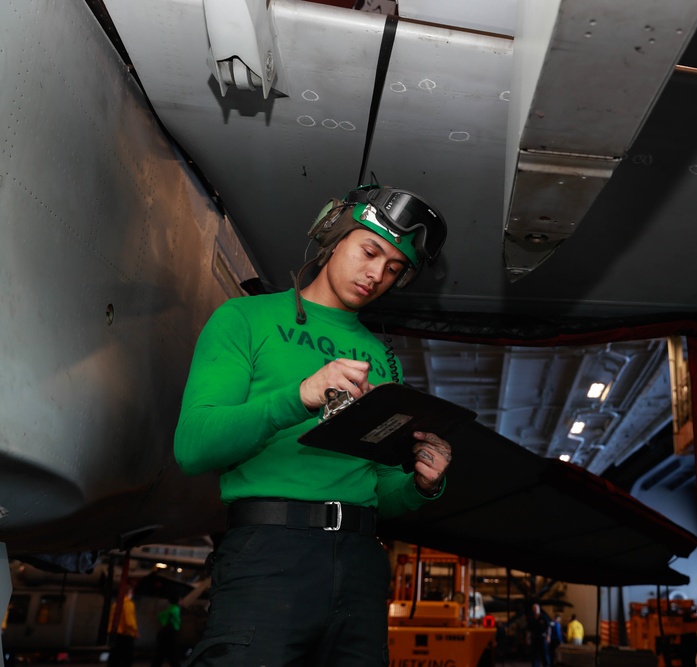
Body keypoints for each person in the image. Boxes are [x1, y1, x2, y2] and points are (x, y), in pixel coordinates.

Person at [174, 184, 453, 666]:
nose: (375, 276)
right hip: (269, 557)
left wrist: (421, 485)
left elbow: (379, 486)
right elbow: (194, 447)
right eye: (369, 251)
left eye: (393, 269)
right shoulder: (245, 318)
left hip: (362, 565)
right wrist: (300, 395)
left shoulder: (384, 361)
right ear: (334, 235)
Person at [107, 587, 139, 667]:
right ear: (129, 593)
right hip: (125, 635)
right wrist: (135, 631)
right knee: (127, 659)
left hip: (115, 634)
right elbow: (129, 622)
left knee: (114, 659)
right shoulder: (128, 604)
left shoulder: (116, 604)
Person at [151, 592, 182, 667]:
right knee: (173, 657)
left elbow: (160, 616)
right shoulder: (176, 609)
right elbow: (176, 622)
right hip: (170, 635)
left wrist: (164, 623)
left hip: (164, 634)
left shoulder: (169, 608)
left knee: (159, 656)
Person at [527, 602, 552, 667]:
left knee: (545, 654)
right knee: (534, 655)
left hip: (542, 637)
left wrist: (548, 636)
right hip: (534, 638)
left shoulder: (544, 617)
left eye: (536, 608)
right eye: (534, 608)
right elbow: (528, 629)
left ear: (539, 609)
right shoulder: (531, 618)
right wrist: (528, 638)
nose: (535, 609)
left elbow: (548, 627)